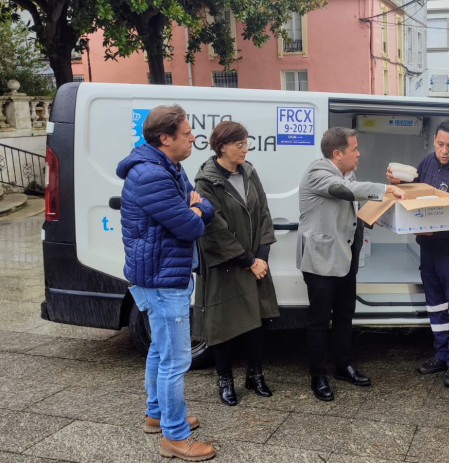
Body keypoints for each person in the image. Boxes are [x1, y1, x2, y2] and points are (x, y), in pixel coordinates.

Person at [116, 104, 216, 460]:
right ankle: (175, 436)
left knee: (160, 351)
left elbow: (206, 207)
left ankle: (156, 415)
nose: (193, 138)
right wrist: (194, 209)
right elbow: (192, 224)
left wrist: (196, 207)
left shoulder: (170, 166)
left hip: (164, 273)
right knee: (175, 360)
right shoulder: (152, 175)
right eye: (187, 134)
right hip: (161, 279)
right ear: (165, 138)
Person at [297, 127, 406, 401]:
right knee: (320, 321)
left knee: (345, 317)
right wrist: (384, 189)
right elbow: (344, 191)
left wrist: (375, 215)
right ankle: (318, 375)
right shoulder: (318, 173)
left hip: (345, 258)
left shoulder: (348, 174)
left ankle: (343, 366)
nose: (358, 154)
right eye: (354, 149)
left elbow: (351, 206)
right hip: (321, 260)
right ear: (337, 153)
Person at [386, 120, 449, 388]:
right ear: (435, 142)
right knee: (436, 306)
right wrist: (396, 182)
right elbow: (413, 192)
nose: (444, 151)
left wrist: (430, 231)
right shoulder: (428, 162)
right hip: (428, 252)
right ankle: (441, 355)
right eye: (440, 144)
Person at [193, 121, 280, 407]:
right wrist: (247, 260)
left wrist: (261, 258)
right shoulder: (206, 180)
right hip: (226, 265)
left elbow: (264, 213)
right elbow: (214, 228)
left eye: (247, 143)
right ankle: (225, 380)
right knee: (223, 327)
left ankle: (255, 376)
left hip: (254, 261)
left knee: (257, 323)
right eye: (240, 144)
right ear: (222, 146)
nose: (246, 149)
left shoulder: (249, 172)